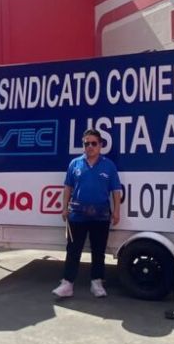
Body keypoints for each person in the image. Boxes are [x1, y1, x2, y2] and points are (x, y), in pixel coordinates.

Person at [52, 128, 122, 299]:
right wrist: (64, 207)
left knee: (98, 251)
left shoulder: (109, 165)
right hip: (77, 215)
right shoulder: (75, 164)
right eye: (86, 143)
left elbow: (116, 190)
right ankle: (67, 284)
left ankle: (96, 283)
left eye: (93, 143)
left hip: (101, 216)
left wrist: (117, 212)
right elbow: (68, 186)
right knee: (73, 250)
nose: (90, 146)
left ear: (100, 145)